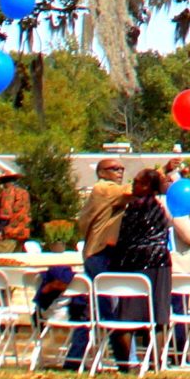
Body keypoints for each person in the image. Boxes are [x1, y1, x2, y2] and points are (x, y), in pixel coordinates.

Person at [110, 168, 190, 368]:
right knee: (158, 313)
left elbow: (123, 236)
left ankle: (124, 364)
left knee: (127, 316)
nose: (134, 185)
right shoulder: (162, 206)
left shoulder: (134, 207)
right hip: (158, 261)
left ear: (148, 186)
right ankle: (156, 362)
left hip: (137, 261)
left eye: (138, 182)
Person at [63, 156, 131, 367]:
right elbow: (135, 190)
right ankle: (120, 362)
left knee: (100, 310)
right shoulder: (104, 188)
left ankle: (77, 361)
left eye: (121, 168)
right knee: (102, 311)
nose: (119, 171)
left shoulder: (111, 194)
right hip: (99, 256)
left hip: (103, 255)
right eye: (113, 168)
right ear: (101, 173)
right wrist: (163, 173)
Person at [0, 172, 31, 249]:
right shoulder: (24, 193)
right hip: (22, 233)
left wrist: (0, 229)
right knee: (16, 258)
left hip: (9, 233)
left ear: (5, 183)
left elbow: (5, 212)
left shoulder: (7, 192)